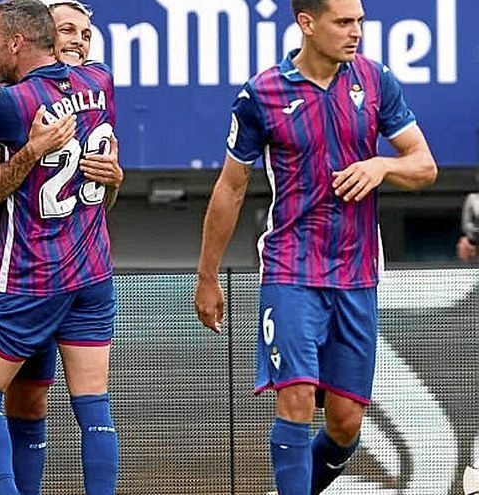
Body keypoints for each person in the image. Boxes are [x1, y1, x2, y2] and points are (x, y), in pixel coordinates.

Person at [193, 0, 437, 493]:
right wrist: (208, 274)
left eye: (360, 23)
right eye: (344, 22)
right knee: (297, 397)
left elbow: (425, 166)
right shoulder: (261, 93)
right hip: (291, 270)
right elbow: (230, 187)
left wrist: (381, 166)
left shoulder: (375, 80)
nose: (357, 33)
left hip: (357, 273)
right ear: (307, 23)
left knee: (345, 423)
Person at [0, 2, 121, 494]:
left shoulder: (20, 100)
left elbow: (99, 196)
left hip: (29, 272)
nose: (79, 41)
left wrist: (111, 177)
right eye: (67, 31)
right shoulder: (91, 86)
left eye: (86, 33)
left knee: (21, 402)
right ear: (42, 37)